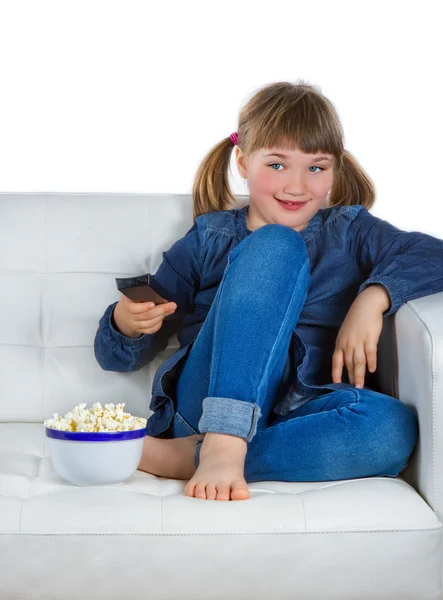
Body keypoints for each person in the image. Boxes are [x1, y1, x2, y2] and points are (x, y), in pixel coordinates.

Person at [94, 80, 443, 502]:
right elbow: (115, 355)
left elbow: (432, 253)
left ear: (335, 171)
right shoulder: (210, 237)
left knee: (391, 429)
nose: (296, 186)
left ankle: (187, 459)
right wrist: (125, 324)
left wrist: (374, 296)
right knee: (276, 244)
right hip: (203, 408)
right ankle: (221, 440)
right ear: (242, 161)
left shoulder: (349, 231)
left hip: (297, 416)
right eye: (277, 164)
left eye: (316, 167)